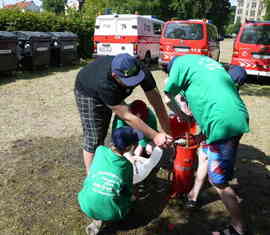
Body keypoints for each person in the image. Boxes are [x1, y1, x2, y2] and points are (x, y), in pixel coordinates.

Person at [164, 55, 250, 235]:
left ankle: (238, 228)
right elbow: (206, 99)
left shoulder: (179, 64)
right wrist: (201, 134)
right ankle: (193, 196)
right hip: (230, 116)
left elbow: (166, 97)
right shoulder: (206, 63)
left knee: (218, 180)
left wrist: (183, 115)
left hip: (222, 123)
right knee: (203, 154)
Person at [74, 53, 172, 173]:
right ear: (115, 76)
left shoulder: (139, 70)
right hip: (89, 92)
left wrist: (167, 133)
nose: (133, 84)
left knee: (118, 125)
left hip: (112, 92)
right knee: (94, 137)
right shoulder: (104, 83)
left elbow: (157, 103)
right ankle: (92, 178)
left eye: (135, 79)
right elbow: (127, 116)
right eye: (129, 81)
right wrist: (155, 135)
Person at [78, 126, 163, 235]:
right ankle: (113, 215)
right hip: (111, 213)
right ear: (129, 148)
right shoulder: (126, 166)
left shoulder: (100, 150)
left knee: (100, 194)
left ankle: (96, 219)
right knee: (128, 197)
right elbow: (127, 190)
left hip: (85, 203)